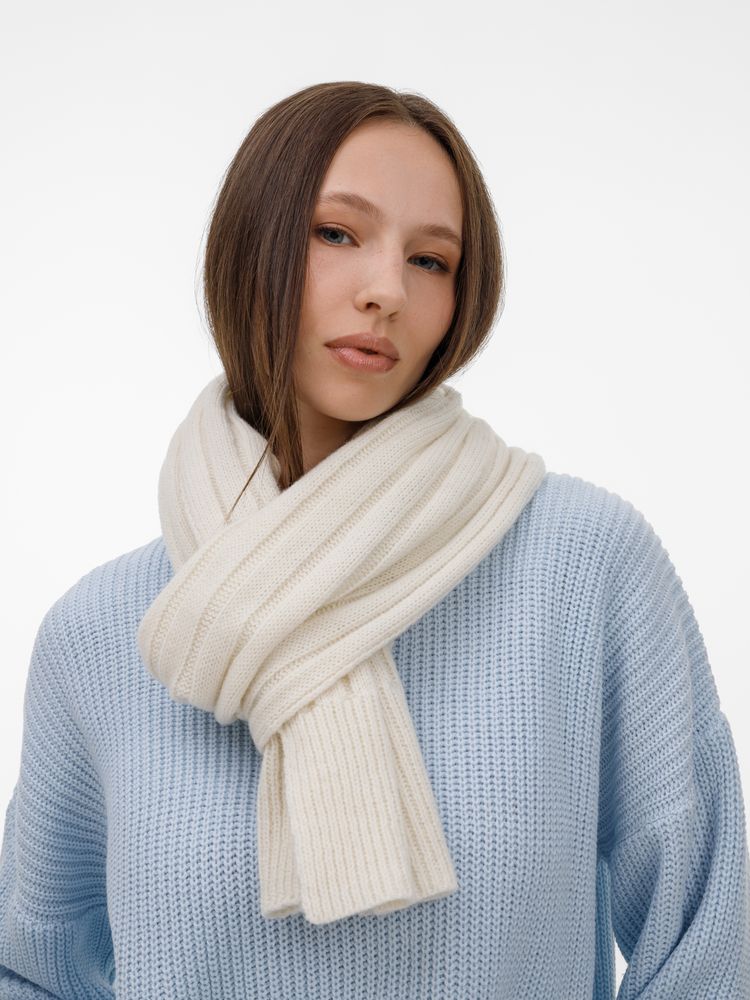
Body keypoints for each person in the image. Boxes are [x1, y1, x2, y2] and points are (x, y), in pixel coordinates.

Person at [0, 80, 747, 999]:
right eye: (337, 233)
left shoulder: (584, 567)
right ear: (250, 245)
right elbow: (32, 970)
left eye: (431, 260)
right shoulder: (101, 634)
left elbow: (713, 943)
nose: (387, 290)